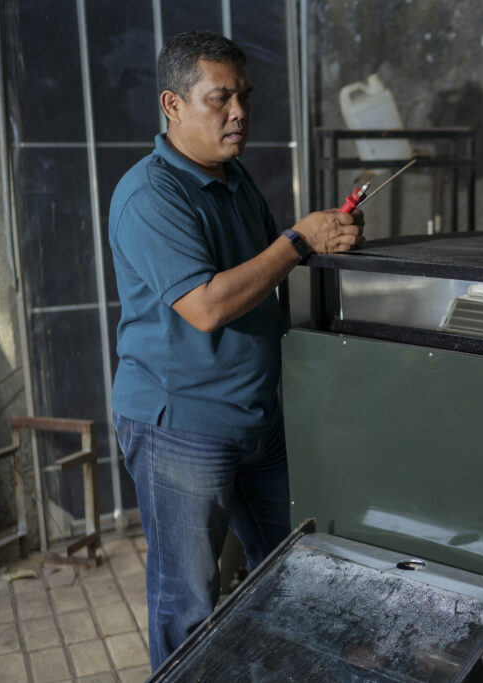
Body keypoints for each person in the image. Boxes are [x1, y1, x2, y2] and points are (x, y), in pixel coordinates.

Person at [108, 30, 363, 670]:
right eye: (219, 98)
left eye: (243, 96)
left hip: (254, 417)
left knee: (296, 564)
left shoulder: (235, 180)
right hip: (182, 426)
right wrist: (298, 242)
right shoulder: (149, 196)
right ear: (172, 104)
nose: (240, 112)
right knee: (188, 600)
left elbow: (261, 276)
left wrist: (319, 237)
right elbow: (208, 306)